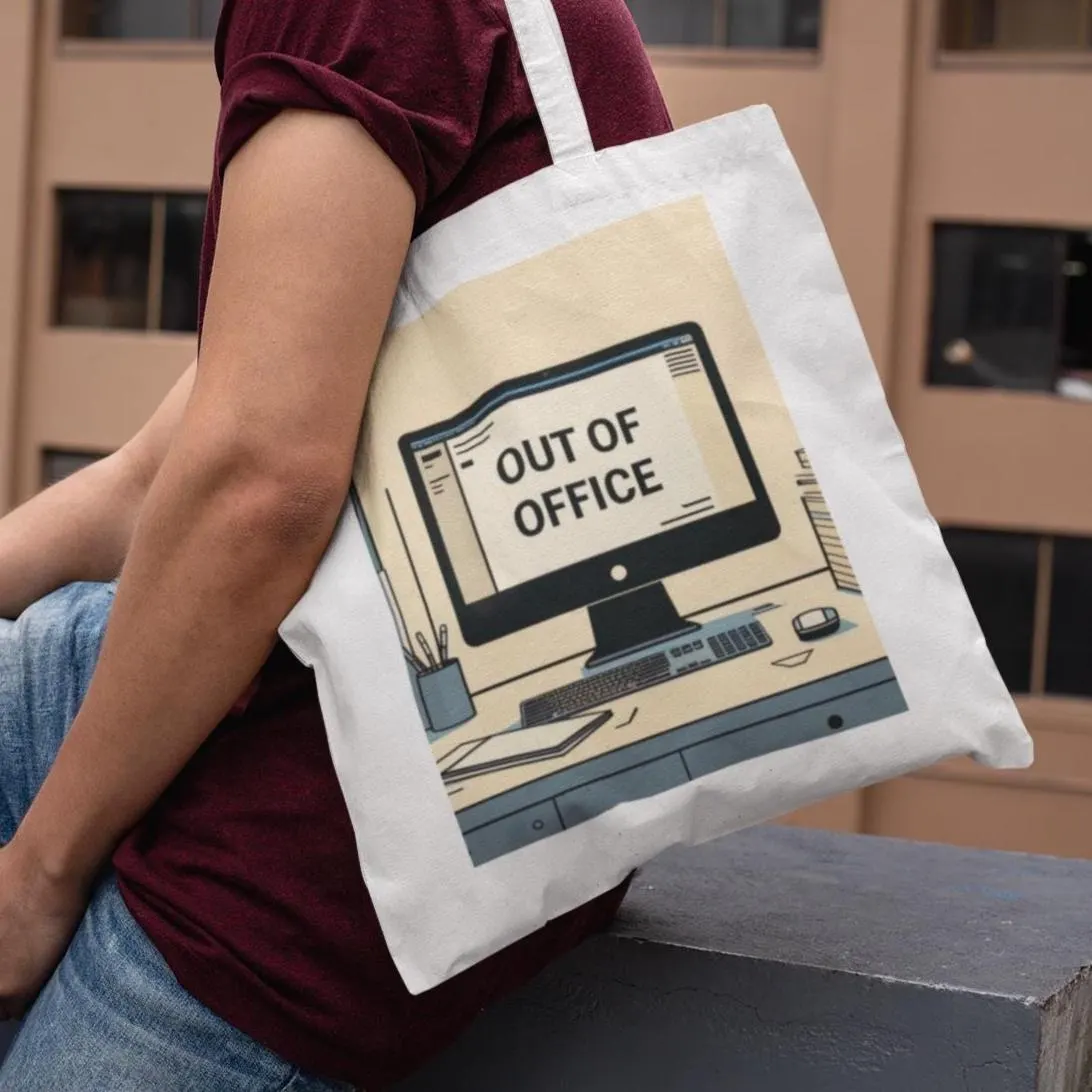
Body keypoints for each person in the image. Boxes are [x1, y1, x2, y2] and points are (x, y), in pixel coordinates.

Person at [0, 1, 672, 1088]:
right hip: (346, 718)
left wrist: (37, 874)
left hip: (314, 838)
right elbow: (165, 475)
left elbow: (259, 489)